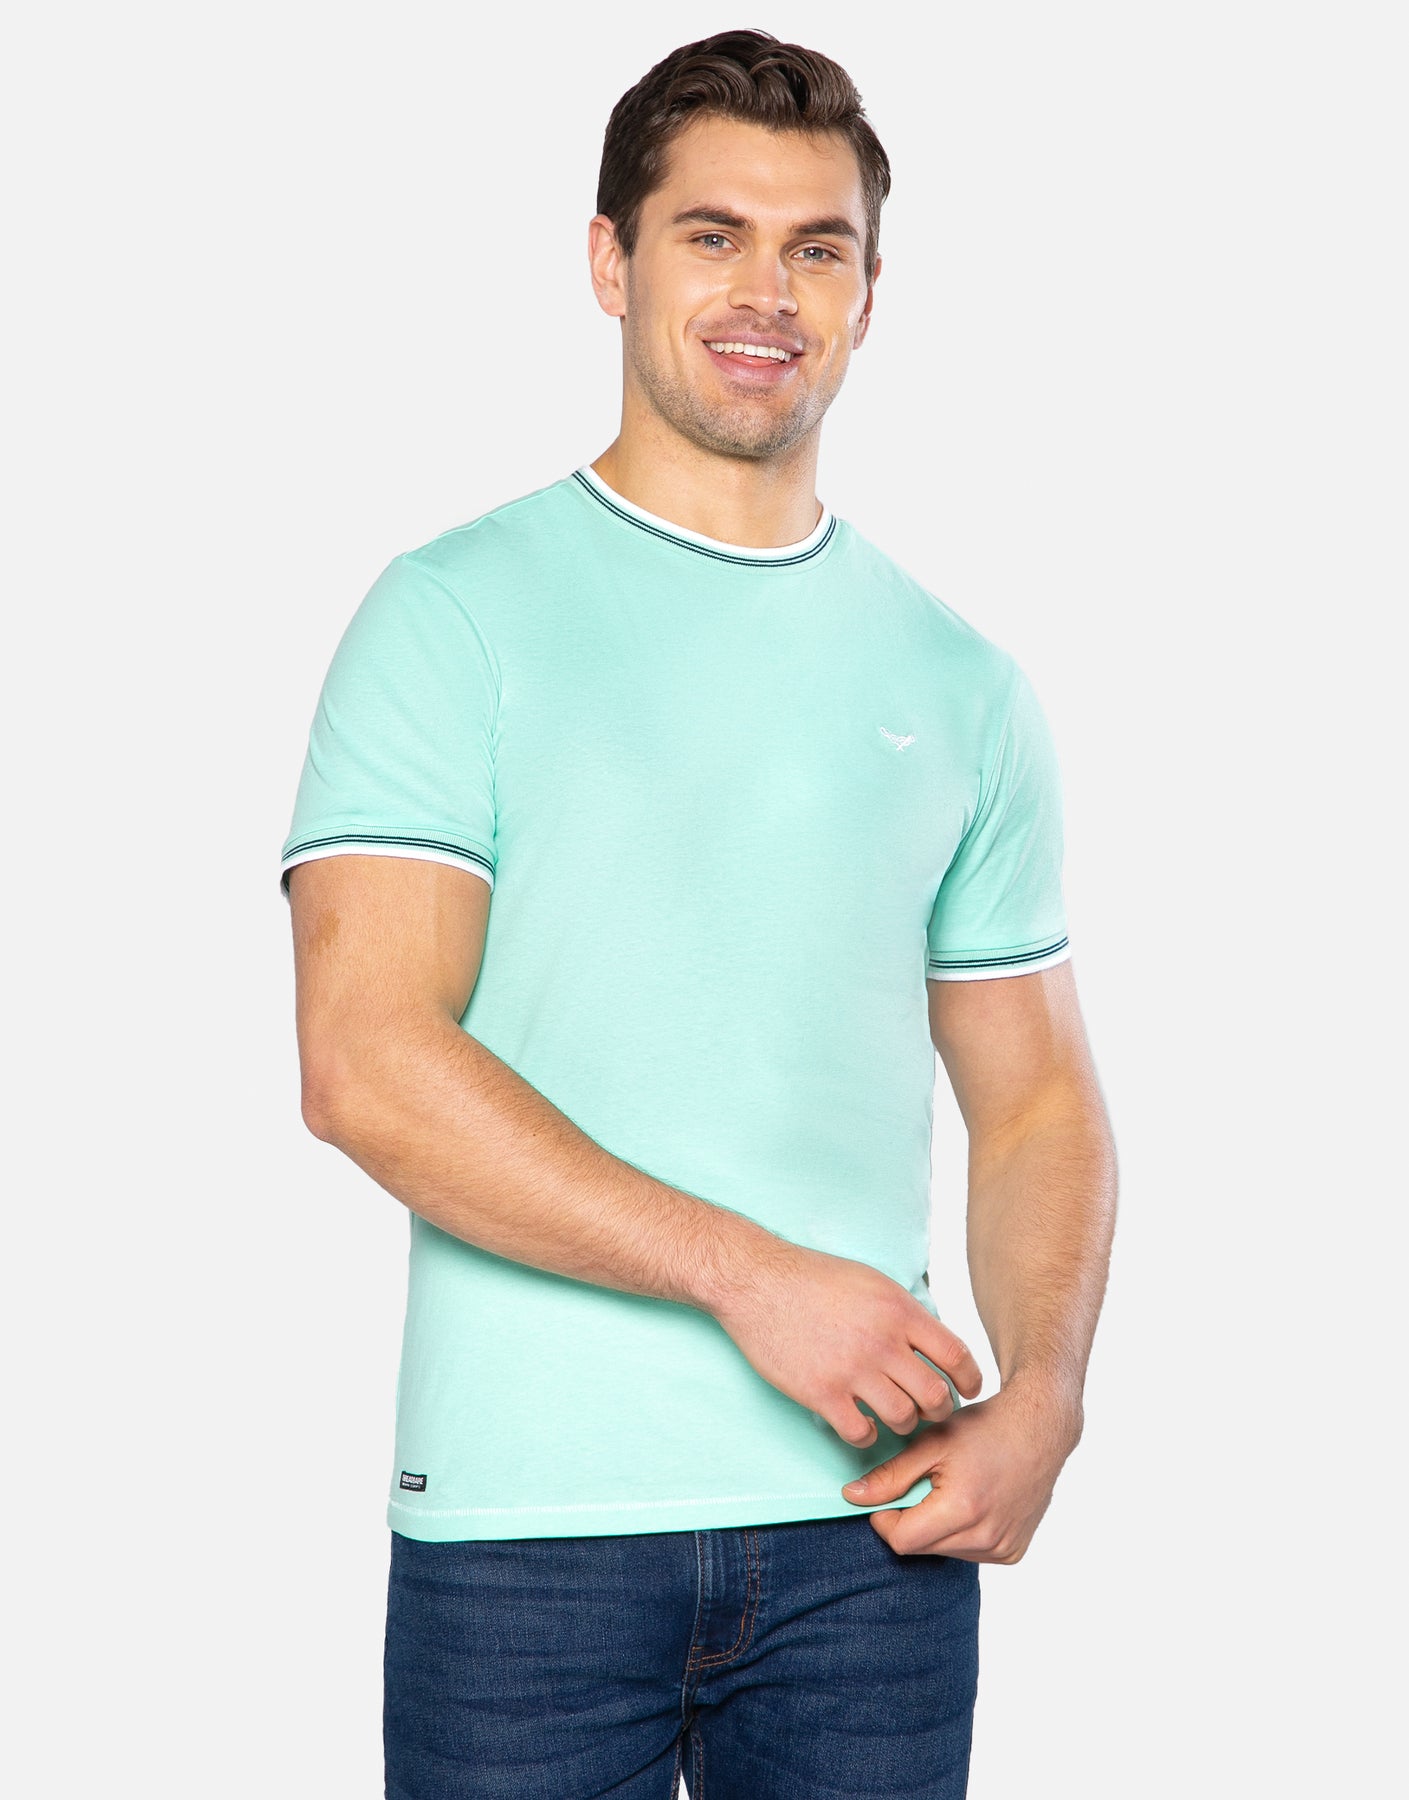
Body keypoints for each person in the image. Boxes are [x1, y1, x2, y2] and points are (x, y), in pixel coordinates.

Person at [279, 27, 1117, 1800]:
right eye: (711, 235)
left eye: (817, 248)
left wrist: (1043, 1399)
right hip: (527, 1541)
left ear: (870, 296)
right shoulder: (451, 617)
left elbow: (1039, 1097)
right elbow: (365, 1064)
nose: (766, 292)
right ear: (610, 260)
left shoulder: (960, 682)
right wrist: (748, 1279)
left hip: (870, 1538)